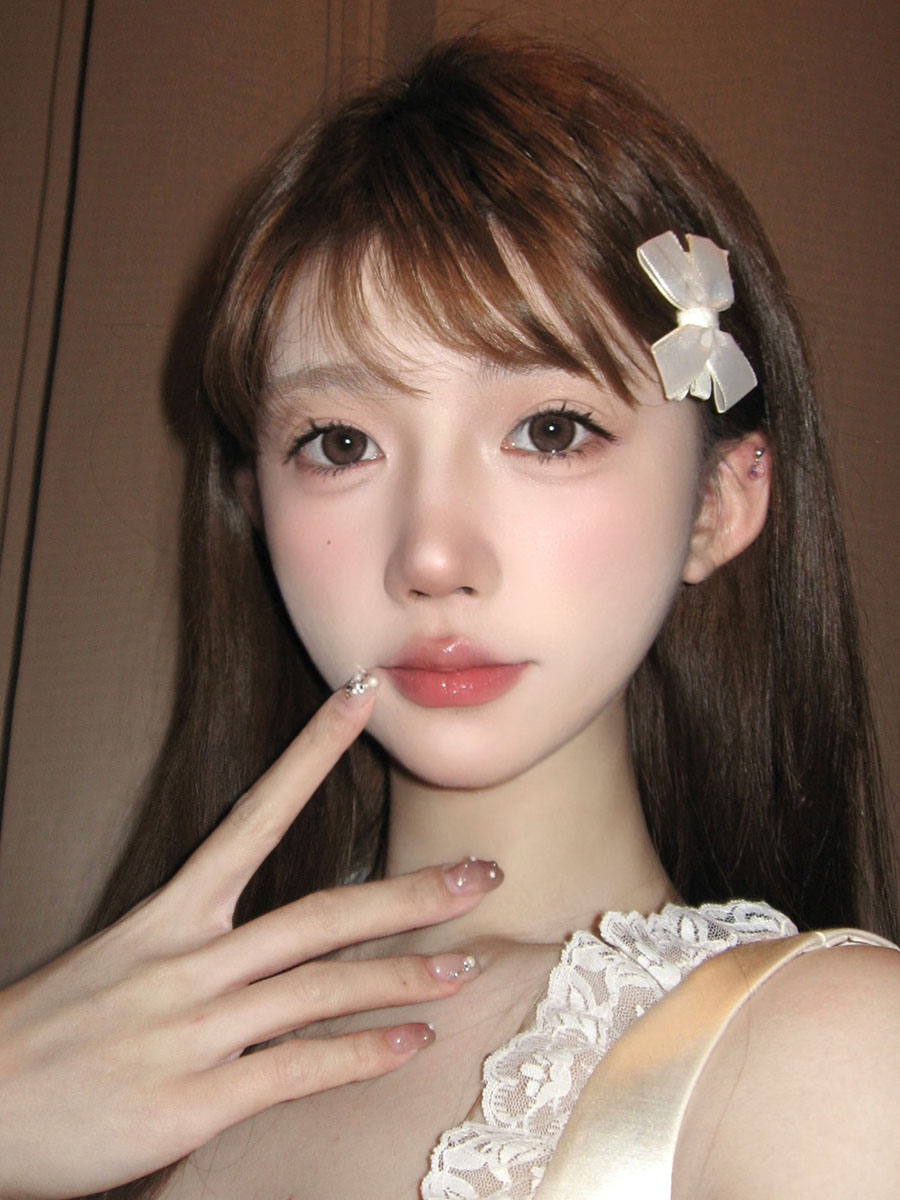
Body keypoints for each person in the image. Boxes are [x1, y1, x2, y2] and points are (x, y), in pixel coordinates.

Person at [1, 31, 899, 1200]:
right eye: (340, 443)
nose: (430, 557)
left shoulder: (823, 1061)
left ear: (719, 503)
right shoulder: (128, 1054)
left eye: (551, 431)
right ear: (257, 506)